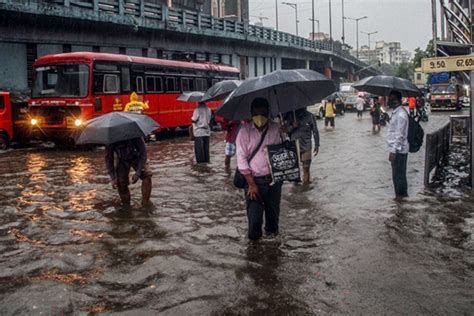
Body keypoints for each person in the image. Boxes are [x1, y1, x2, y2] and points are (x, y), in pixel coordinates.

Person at [236, 97, 282, 241]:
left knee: (273, 224)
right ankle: (254, 254)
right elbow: (241, 161)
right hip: (254, 182)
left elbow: (284, 153)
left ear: (268, 112)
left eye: (263, 113)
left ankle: (272, 254)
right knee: (254, 225)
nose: (260, 117)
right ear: (251, 114)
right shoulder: (244, 132)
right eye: (257, 114)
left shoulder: (277, 129)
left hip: (274, 182)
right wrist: (251, 185)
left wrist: (289, 132)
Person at [105, 137, 153, 206]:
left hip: (137, 156)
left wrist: (138, 172)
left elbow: (143, 153)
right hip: (121, 159)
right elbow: (108, 158)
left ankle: (146, 203)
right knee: (121, 183)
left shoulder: (135, 134)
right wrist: (113, 177)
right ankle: (126, 206)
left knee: (147, 175)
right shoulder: (111, 138)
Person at [284, 108, 320, 184]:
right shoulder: (290, 116)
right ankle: (296, 188)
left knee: (306, 168)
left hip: (306, 146)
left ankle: (306, 188)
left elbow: (315, 131)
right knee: (295, 170)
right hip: (294, 147)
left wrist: (317, 145)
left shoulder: (310, 116)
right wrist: (292, 126)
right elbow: (285, 131)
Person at [386, 90, 409, 199]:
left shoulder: (401, 115)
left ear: (399, 100)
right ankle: (400, 200)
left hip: (399, 151)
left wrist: (393, 151)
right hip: (397, 149)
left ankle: (401, 198)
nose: (390, 101)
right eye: (389, 99)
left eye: (393, 99)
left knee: (399, 176)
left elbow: (400, 135)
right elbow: (394, 130)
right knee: (397, 176)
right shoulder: (396, 113)